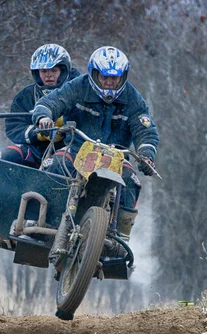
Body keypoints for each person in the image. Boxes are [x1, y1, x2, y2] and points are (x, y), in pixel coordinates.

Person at [31, 46, 159, 240]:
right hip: (77, 149)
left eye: (114, 78)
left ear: (123, 76)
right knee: (52, 166)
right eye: (104, 77)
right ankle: (41, 219)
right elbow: (51, 102)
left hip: (115, 157)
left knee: (131, 183)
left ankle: (119, 237)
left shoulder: (134, 99)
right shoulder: (78, 86)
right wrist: (43, 118)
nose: (109, 82)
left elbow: (146, 130)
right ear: (94, 74)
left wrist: (146, 155)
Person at [0, 43, 80, 168]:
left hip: (71, 150)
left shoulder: (80, 91)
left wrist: (65, 128)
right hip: (35, 149)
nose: (48, 75)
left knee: (53, 164)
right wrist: (38, 133)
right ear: (36, 72)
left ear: (64, 70)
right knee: (4, 156)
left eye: (54, 70)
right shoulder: (25, 96)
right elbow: (14, 127)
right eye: (44, 71)